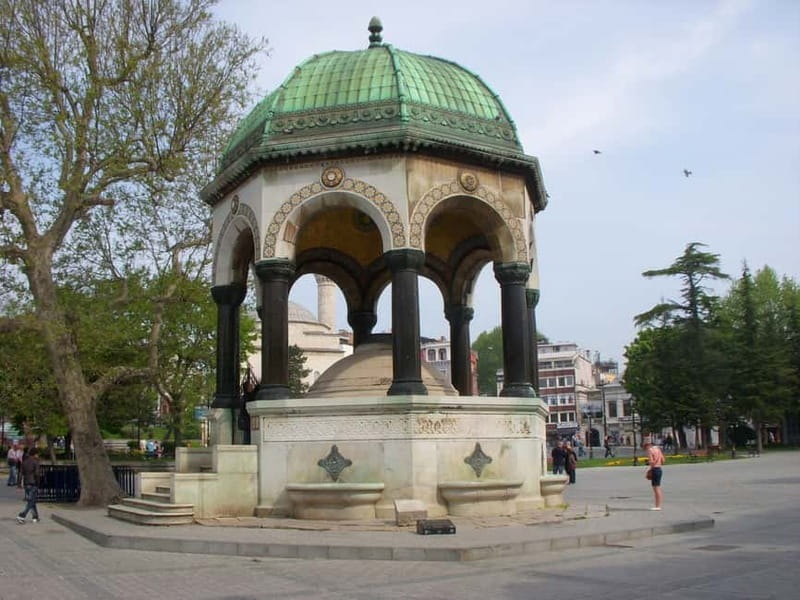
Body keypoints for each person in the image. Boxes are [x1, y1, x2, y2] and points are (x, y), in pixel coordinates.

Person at [16, 447, 41, 524]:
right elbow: (37, 474)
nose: (38, 456)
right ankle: (22, 515)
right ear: (35, 454)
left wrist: (19, 484)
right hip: (33, 483)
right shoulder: (35, 462)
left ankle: (35, 517)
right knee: (31, 501)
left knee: (32, 500)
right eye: (37, 454)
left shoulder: (24, 462)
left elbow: (20, 474)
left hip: (26, 483)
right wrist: (38, 482)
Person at [644, 441, 665, 510]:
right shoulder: (658, 449)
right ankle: (658, 505)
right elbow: (663, 460)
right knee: (657, 487)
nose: (646, 450)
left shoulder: (650, 450)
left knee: (656, 489)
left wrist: (649, 464)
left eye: (645, 448)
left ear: (648, 446)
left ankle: (657, 506)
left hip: (654, 469)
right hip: (659, 469)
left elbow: (652, 462)